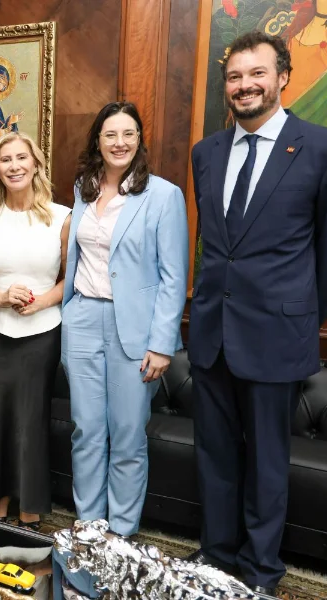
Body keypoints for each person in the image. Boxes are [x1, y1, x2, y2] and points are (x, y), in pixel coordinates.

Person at [188, 32, 327, 597]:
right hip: (213, 332)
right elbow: (219, 246)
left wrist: (298, 314)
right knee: (214, 455)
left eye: (256, 74)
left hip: (276, 335)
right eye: (235, 77)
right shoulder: (206, 153)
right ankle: (216, 558)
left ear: (282, 77)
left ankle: (260, 572)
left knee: (265, 464)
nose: (244, 86)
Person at [63, 102, 189, 538]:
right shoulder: (83, 189)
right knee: (86, 430)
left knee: (129, 435)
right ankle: (89, 527)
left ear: (140, 140)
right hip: (81, 319)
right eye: (111, 134)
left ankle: (120, 533)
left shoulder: (164, 196)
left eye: (129, 134)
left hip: (134, 330)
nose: (120, 143)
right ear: (97, 140)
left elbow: (175, 277)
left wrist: (161, 343)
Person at [0, 131, 70, 530]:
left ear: (36, 163)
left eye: (21, 158)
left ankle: (30, 506)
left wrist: (40, 301)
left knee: (30, 418)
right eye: (5, 160)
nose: (14, 166)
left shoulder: (62, 217)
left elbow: (69, 279)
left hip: (42, 331)